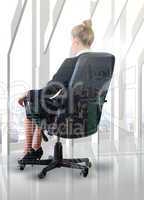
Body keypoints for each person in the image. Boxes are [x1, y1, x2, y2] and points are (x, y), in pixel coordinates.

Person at [18, 19, 95, 162]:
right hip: (88, 116)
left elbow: (52, 89)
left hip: (66, 116)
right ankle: (35, 148)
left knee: (31, 104)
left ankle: (28, 151)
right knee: (43, 106)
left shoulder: (72, 63)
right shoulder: (100, 62)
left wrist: (27, 94)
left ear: (75, 41)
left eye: (71, 40)